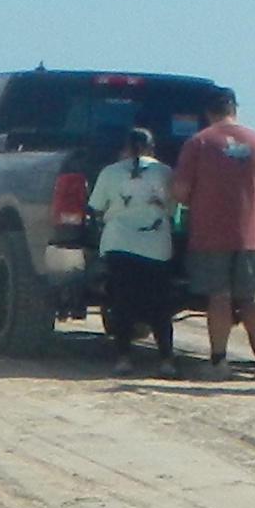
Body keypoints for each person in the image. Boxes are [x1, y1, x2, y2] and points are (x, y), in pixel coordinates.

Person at [169, 88, 255, 372]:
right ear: (234, 109)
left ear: (208, 112)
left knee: (219, 297)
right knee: (251, 297)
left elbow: (179, 192)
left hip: (211, 232)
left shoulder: (199, 142)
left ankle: (219, 361)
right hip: (251, 232)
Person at [85, 123, 181, 371]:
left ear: (125, 147)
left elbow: (96, 206)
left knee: (122, 302)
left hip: (119, 244)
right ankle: (166, 360)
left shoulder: (110, 172)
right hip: (157, 247)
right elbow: (172, 210)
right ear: (152, 148)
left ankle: (123, 358)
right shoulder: (166, 173)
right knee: (160, 306)